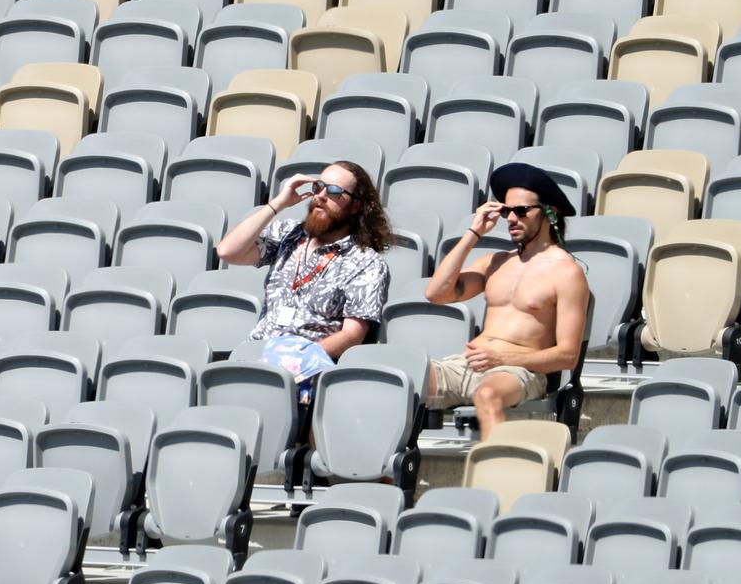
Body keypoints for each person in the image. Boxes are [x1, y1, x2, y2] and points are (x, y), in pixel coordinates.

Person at [424, 162, 590, 440]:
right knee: (404, 380)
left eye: (521, 211)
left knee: (488, 395)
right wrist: (473, 233)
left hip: (518, 371)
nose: (512, 218)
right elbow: (436, 293)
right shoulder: (496, 262)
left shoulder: (567, 273)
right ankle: (384, 475)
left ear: (550, 212)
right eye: (506, 211)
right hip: (467, 364)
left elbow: (568, 355)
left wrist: (503, 357)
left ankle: (495, 475)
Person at [216, 160, 392, 361]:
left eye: (334, 191)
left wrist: (297, 357)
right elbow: (227, 251)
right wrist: (278, 203)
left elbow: (352, 336)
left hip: (305, 366)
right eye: (318, 187)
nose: (321, 196)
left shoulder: (366, 263)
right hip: (256, 353)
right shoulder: (288, 234)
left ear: (355, 206)